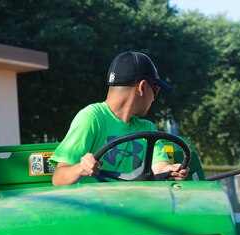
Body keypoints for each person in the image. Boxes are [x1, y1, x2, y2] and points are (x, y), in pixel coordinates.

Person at [51, 51, 187, 185]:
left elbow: (159, 167)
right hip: (92, 204)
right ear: (142, 87)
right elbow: (58, 178)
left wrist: (169, 171)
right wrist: (81, 168)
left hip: (130, 203)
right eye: (155, 89)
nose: (154, 98)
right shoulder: (92, 118)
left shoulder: (147, 128)